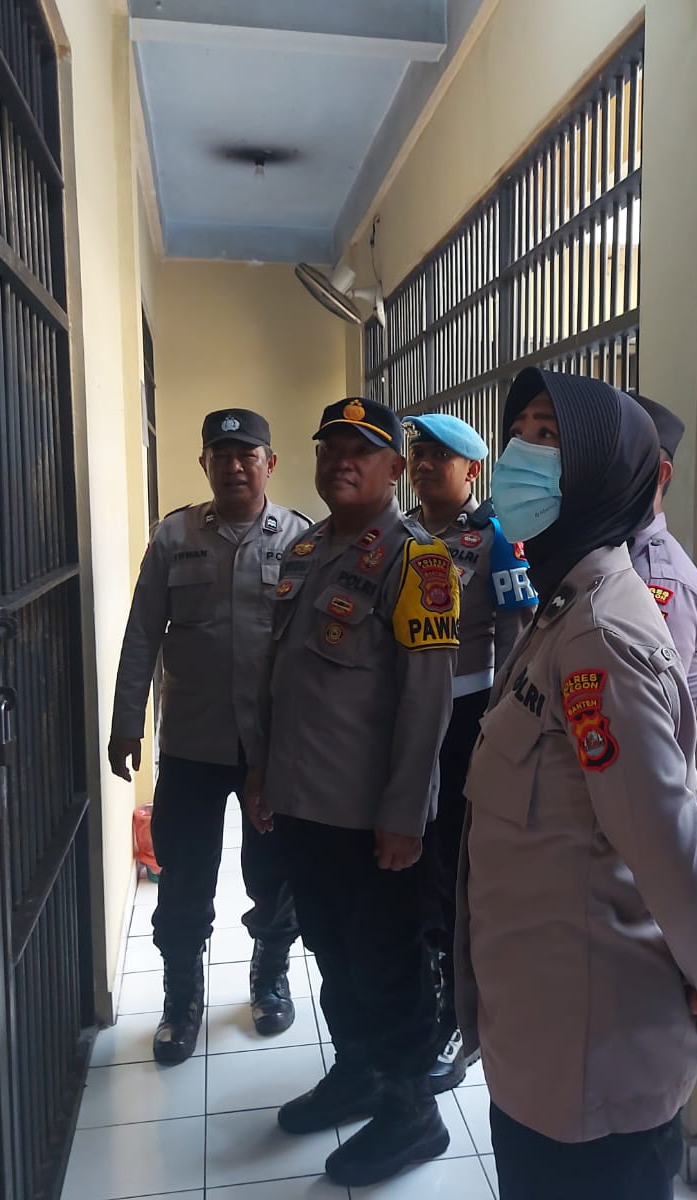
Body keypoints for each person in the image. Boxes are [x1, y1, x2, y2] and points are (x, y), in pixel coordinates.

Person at [456, 368, 697, 1200]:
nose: (520, 455)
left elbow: (667, 845)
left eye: (548, 437)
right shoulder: (562, 607)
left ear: (606, 472)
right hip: (539, 1031)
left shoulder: (603, 633)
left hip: (591, 1057)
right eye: (518, 432)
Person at [241, 396, 459, 1188]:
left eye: (360, 451)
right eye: (330, 447)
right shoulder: (306, 550)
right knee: (332, 954)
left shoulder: (420, 562)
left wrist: (405, 815)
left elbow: (426, 703)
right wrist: (263, 773)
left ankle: (412, 1113)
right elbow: (281, 678)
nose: (341, 462)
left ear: (394, 469)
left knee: (386, 966)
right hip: (305, 806)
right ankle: (360, 1073)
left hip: (371, 820)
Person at [108, 408, 309, 1062]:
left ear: (269, 463)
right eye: (221, 455)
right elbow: (142, 634)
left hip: (270, 745)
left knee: (273, 872)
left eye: (247, 454)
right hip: (192, 744)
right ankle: (181, 998)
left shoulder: (300, 540)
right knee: (184, 876)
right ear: (203, 464)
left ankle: (270, 976)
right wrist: (126, 722)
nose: (234, 466)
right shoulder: (175, 536)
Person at [401, 411, 538, 1092]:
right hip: (403, 719)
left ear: (472, 470)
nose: (425, 465)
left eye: (441, 456)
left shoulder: (495, 538)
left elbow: (518, 637)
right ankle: (420, 991)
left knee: (455, 864)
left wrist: (497, 726)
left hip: (466, 716)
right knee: (409, 857)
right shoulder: (399, 535)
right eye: (418, 454)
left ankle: (461, 1012)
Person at [628, 393, 697, 720]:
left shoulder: (661, 582)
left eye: (619, 458)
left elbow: (651, 719)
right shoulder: (613, 553)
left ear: (660, 475)